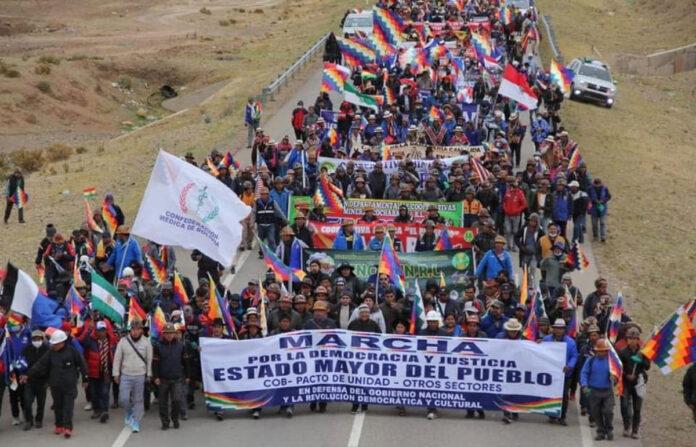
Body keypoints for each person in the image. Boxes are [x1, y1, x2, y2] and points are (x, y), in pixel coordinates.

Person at [28, 330, 87, 439]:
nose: (53, 345)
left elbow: (82, 364)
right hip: (55, 385)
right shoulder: (50, 353)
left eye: (55, 344)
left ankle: (68, 428)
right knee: (58, 407)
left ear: (62, 343)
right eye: (52, 344)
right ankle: (59, 425)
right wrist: (29, 374)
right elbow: (40, 365)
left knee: (68, 407)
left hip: (69, 386)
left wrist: (85, 379)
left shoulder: (72, 352)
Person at [113, 320, 153, 433]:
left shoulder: (146, 343)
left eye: (138, 329)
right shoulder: (123, 342)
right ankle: (129, 411)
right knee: (123, 398)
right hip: (126, 374)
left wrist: (149, 374)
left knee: (138, 399)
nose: (135, 332)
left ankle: (136, 421)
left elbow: (149, 360)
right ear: (130, 330)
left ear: (141, 330)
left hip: (140, 374)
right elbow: (117, 359)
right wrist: (116, 373)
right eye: (133, 329)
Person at [153, 323, 190, 430]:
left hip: (177, 378)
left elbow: (186, 361)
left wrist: (188, 375)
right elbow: (155, 363)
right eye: (166, 333)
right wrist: (156, 377)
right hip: (163, 379)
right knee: (162, 403)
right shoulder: (158, 346)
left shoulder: (180, 345)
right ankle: (165, 422)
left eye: (171, 333)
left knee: (176, 401)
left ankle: (175, 419)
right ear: (163, 334)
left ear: (174, 333)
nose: (169, 335)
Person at [78, 320, 116, 423]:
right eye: (99, 330)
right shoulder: (90, 340)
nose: (102, 333)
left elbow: (115, 354)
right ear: (96, 331)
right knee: (94, 392)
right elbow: (80, 341)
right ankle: (97, 410)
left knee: (104, 392)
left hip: (106, 371)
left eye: (103, 330)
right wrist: (87, 330)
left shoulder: (111, 340)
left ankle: (104, 411)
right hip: (93, 371)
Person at [542, 319, 578, 426]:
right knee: (550, 393)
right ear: (553, 329)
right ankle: (552, 414)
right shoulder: (546, 339)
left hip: (565, 374)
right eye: (556, 328)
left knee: (564, 395)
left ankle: (562, 417)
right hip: (550, 373)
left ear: (564, 330)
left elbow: (574, 356)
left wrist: (569, 366)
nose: (558, 330)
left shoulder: (570, 342)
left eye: (561, 328)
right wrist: (538, 344)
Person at [347, 304, 381, 414]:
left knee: (366, 382)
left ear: (369, 314)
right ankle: (355, 405)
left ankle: (365, 406)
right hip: (355, 357)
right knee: (355, 382)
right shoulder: (353, 324)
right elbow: (347, 337)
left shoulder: (374, 324)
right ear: (359, 314)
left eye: (366, 312)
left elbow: (380, 338)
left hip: (369, 358)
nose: (364, 314)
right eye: (362, 312)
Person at [581, 338, 616, 441]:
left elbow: (617, 374)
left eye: (604, 351)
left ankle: (609, 429)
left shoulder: (611, 362)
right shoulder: (590, 360)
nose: (602, 353)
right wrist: (584, 385)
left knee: (608, 411)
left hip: (607, 391)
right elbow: (584, 373)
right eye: (600, 351)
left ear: (607, 351)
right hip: (594, 391)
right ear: (596, 351)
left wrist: (614, 377)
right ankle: (601, 432)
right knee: (596, 413)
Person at [304, 301, 336, 413]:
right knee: (313, 379)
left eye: (321, 311)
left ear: (325, 312)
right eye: (316, 311)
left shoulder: (331, 323)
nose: (318, 313)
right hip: (312, 355)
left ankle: (323, 403)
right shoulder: (308, 323)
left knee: (324, 380)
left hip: (326, 356)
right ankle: (313, 400)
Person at [618, 327, 650, 438]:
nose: (632, 341)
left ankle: (635, 430)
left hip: (638, 383)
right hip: (626, 383)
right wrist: (626, 375)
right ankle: (626, 426)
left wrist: (642, 358)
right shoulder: (622, 352)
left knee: (637, 408)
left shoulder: (643, 352)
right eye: (630, 338)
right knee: (624, 405)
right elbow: (619, 368)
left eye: (634, 339)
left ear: (638, 340)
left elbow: (647, 367)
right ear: (627, 340)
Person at [18, 330, 49, 430]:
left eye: (38, 339)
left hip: (42, 381)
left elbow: (50, 365)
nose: (36, 341)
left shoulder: (47, 350)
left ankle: (39, 420)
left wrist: (48, 380)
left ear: (42, 339)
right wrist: (22, 374)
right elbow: (21, 362)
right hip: (29, 381)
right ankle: (29, 420)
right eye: (34, 339)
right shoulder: (26, 349)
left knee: (41, 403)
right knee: (27, 402)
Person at [588, 177, 611, 242]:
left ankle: (603, 236)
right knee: (594, 224)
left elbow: (608, 196)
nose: (597, 186)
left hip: (602, 208)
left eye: (599, 184)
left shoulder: (605, 188)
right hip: (593, 209)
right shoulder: (590, 189)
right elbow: (588, 197)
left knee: (602, 223)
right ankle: (595, 236)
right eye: (596, 185)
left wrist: (603, 201)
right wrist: (594, 200)